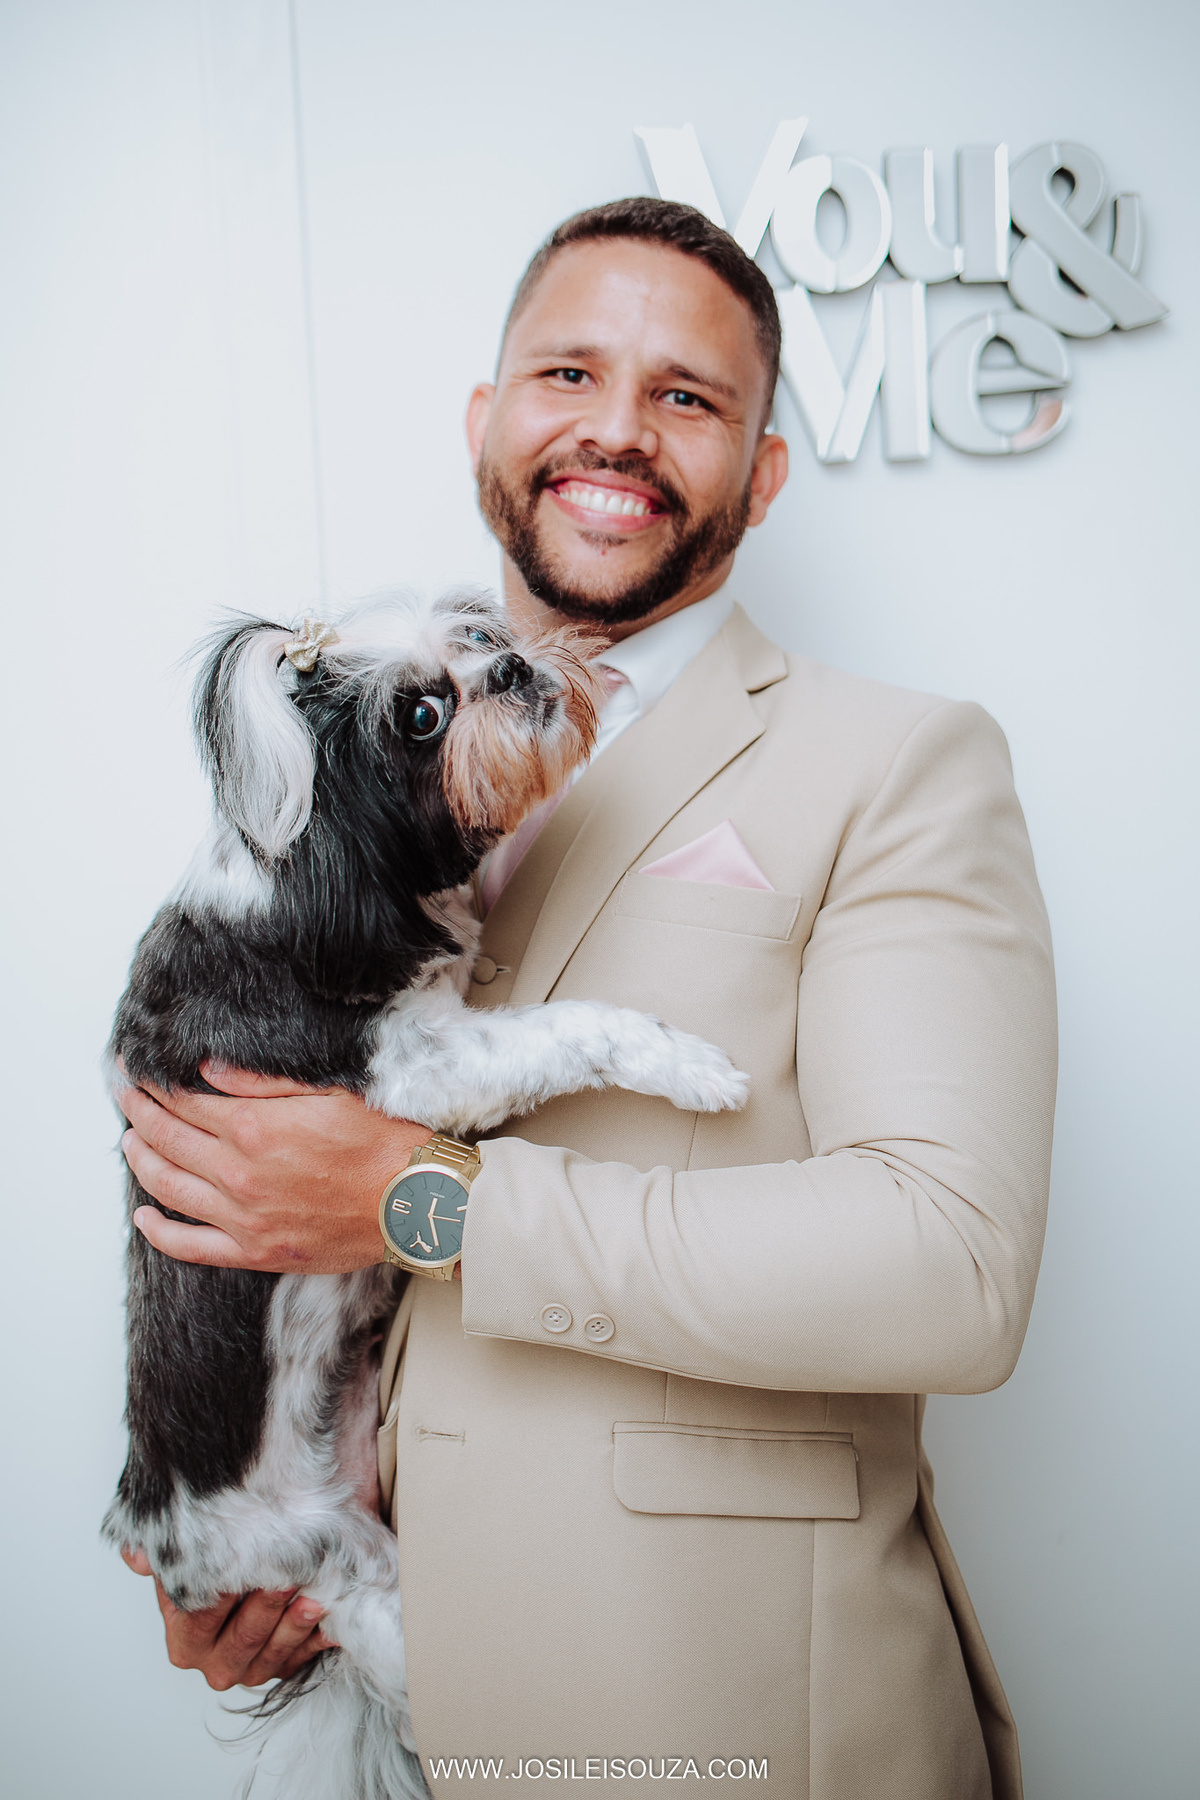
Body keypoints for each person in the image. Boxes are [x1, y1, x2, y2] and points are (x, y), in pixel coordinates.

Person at [118, 199, 1056, 1799]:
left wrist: (421, 1202)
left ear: (764, 471)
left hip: (753, 1725)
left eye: (686, 394)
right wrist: (233, 1545)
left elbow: (950, 1265)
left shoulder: (900, 762)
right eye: (569, 372)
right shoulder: (338, 796)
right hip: (430, 1711)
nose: (616, 427)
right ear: (487, 419)